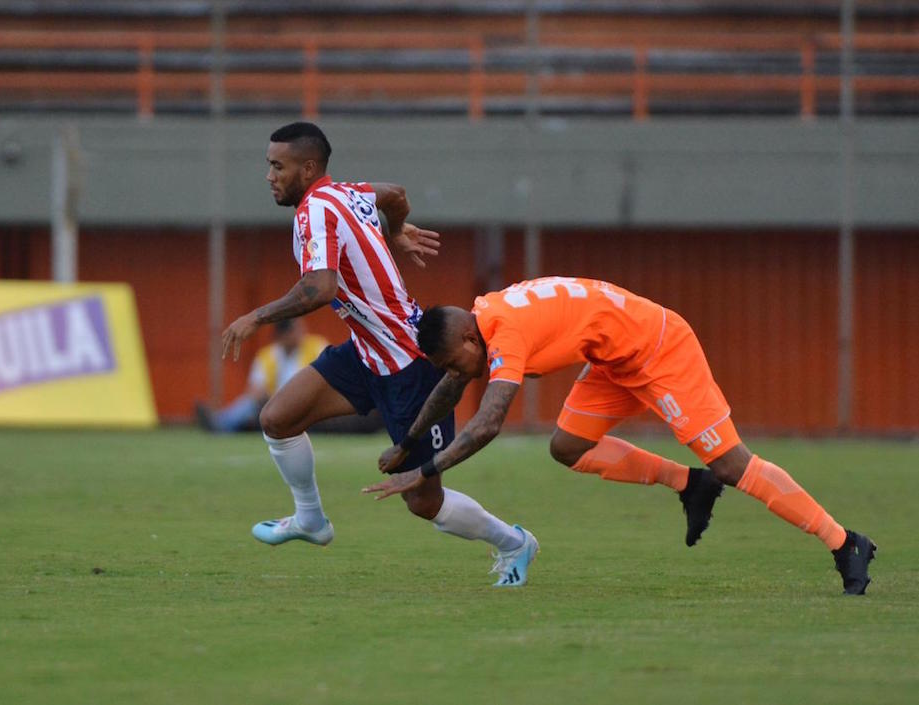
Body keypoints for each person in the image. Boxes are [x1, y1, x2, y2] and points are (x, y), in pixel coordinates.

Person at [365, 275, 877, 595]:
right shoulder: (485, 321)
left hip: (659, 351)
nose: (458, 372)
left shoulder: (506, 334)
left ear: (469, 338)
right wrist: (408, 444)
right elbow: (451, 388)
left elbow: (488, 423)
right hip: (613, 362)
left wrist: (424, 471)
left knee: (731, 463)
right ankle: (688, 484)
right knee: (567, 447)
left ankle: (844, 541)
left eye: (455, 360)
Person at [221, 122, 538, 587]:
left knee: (423, 502)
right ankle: (311, 521)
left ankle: (514, 542)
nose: (269, 175)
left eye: (277, 166)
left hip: (410, 364)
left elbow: (320, 288)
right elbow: (395, 194)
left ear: (308, 168)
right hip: (366, 352)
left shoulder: (315, 212)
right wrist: (395, 232)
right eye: (269, 165)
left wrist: (255, 317)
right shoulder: (350, 193)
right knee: (278, 419)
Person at [198, 319, 327, 433]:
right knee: (249, 403)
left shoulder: (317, 347)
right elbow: (254, 389)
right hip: (274, 403)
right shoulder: (267, 355)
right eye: (296, 329)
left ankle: (220, 423)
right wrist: (262, 397)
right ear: (284, 335)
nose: (302, 332)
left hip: (306, 402)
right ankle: (220, 423)